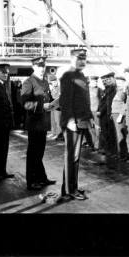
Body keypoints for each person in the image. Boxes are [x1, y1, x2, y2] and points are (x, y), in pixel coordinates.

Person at [59, 48, 93, 200]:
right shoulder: (68, 76)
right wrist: (70, 120)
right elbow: (65, 101)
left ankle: (72, 187)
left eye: (84, 59)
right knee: (71, 157)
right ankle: (69, 190)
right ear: (72, 59)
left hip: (82, 121)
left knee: (75, 157)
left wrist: (90, 116)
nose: (82, 61)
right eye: (79, 58)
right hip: (73, 122)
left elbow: (85, 101)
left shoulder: (81, 75)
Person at [21, 56, 57, 190]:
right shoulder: (29, 82)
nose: (42, 69)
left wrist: (54, 102)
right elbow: (25, 104)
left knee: (40, 152)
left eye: (43, 66)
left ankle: (41, 177)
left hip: (43, 123)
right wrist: (42, 106)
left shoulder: (45, 82)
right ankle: (31, 181)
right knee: (33, 153)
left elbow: (50, 99)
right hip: (34, 123)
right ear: (34, 67)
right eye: (39, 66)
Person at [97, 72, 116, 157]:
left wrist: (101, 111)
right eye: (104, 80)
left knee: (110, 133)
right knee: (105, 132)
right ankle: (106, 148)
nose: (105, 82)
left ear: (112, 79)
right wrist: (99, 110)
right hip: (104, 114)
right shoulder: (106, 90)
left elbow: (108, 103)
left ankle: (111, 150)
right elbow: (102, 102)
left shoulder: (113, 90)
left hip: (108, 114)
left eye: (107, 80)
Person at [110, 75, 128, 160]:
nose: (118, 83)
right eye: (117, 82)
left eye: (120, 82)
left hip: (119, 115)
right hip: (114, 114)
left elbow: (125, 104)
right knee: (117, 135)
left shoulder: (124, 91)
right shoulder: (116, 90)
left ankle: (123, 154)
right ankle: (119, 153)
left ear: (123, 82)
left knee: (121, 135)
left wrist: (121, 115)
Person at [88, 76, 102, 151]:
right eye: (94, 81)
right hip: (89, 111)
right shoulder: (87, 89)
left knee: (97, 128)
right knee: (90, 128)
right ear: (90, 81)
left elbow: (101, 101)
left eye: (96, 81)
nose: (95, 83)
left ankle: (97, 145)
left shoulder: (99, 90)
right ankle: (93, 143)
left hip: (96, 112)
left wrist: (99, 110)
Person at [47, 74, 63, 141]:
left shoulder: (60, 88)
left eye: (55, 81)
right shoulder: (52, 88)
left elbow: (58, 99)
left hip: (58, 108)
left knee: (58, 122)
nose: (54, 83)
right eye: (52, 82)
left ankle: (58, 134)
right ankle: (53, 132)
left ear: (57, 81)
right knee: (53, 121)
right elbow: (51, 98)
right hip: (53, 107)